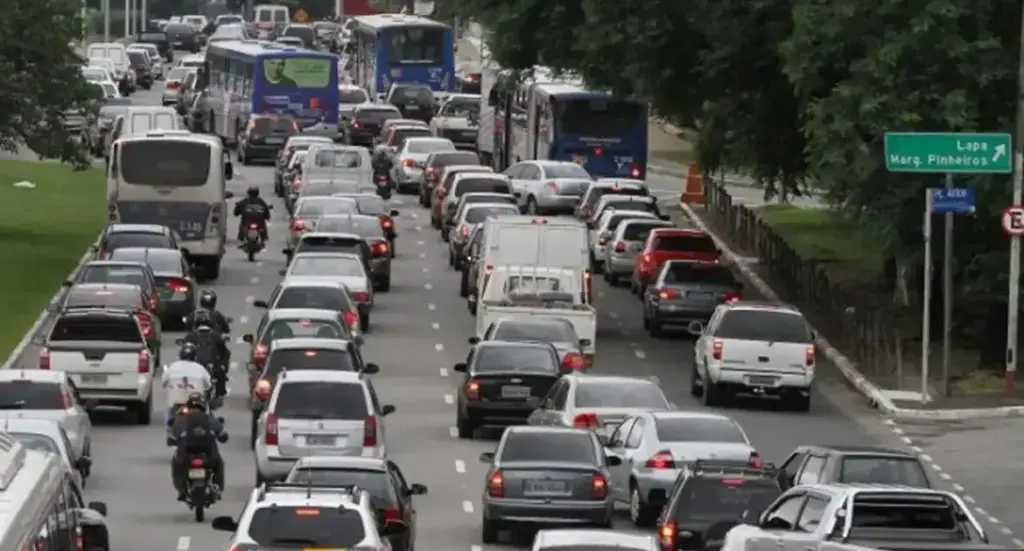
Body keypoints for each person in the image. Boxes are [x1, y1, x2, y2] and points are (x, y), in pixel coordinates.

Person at [167, 392, 228, 502]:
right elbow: (222, 433)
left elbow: (172, 435)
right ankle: (218, 487)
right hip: (207, 453)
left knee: (176, 463)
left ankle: (181, 489)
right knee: (219, 464)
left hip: (189, 453)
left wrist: (173, 440)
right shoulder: (208, 417)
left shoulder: (182, 418)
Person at [181, 311, 230, 400]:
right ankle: (219, 393)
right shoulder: (216, 336)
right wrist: (223, 367)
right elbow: (225, 354)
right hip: (211, 370)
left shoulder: (190, 337)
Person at [162, 343, 213, 427]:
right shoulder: (200, 368)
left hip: (176, 403)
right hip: (196, 403)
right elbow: (208, 384)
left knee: (169, 414)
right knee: (207, 414)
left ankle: (170, 429)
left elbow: (164, 382)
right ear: (195, 356)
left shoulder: (172, 367)